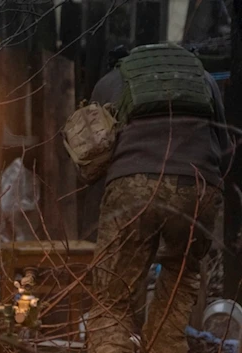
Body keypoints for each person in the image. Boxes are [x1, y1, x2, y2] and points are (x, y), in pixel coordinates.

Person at [86, 43, 230, 353]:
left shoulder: (111, 81)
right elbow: (225, 147)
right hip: (198, 186)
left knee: (113, 297)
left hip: (132, 184)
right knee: (179, 282)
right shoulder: (204, 79)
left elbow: (91, 151)